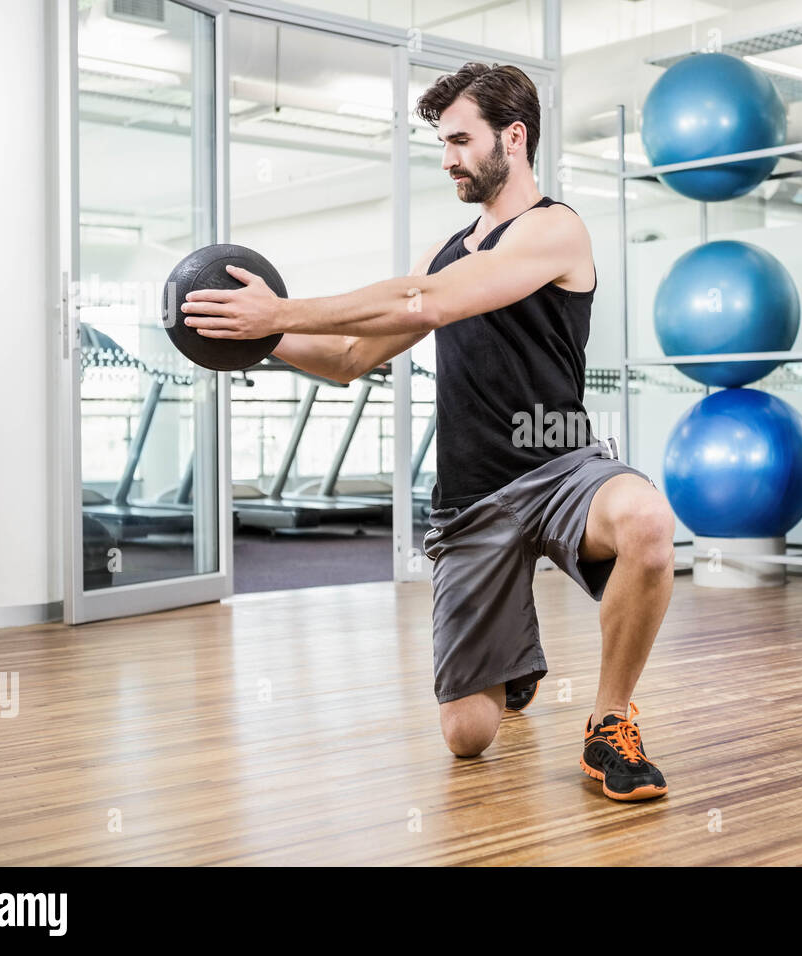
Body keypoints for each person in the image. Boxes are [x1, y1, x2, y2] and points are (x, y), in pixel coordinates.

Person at [181, 62, 675, 802]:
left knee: (645, 520)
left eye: (460, 140)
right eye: (441, 143)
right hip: (472, 498)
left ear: (515, 136)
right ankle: (513, 663)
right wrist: (251, 339)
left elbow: (427, 304)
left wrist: (282, 311)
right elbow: (350, 359)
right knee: (468, 738)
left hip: (562, 470)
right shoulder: (443, 252)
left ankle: (609, 725)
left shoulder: (554, 229)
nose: (447, 159)